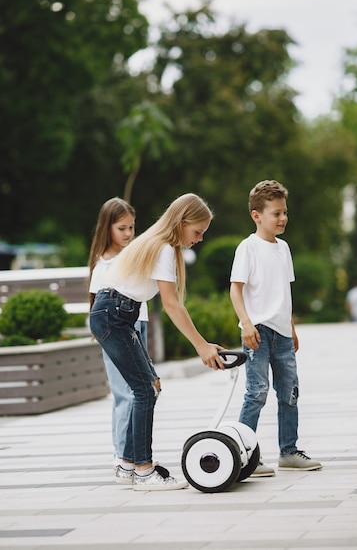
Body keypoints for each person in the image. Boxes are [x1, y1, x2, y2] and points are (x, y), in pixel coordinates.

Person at [89, 193, 225, 491]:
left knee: (149, 386)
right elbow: (173, 305)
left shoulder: (158, 244)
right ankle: (144, 471)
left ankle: (128, 465)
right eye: (197, 231)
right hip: (113, 314)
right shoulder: (162, 248)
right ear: (182, 222)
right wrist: (202, 346)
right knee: (145, 391)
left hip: (115, 314)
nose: (199, 239)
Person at [229, 180, 322, 475]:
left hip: (282, 332)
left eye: (284, 213)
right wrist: (245, 323)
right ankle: (246, 456)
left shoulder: (284, 249)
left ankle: (289, 451)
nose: (282, 218)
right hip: (257, 330)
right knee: (256, 392)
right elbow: (235, 289)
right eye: (276, 213)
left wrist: (291, 327)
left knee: (290, 392)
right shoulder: (248, 248)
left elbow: (284, 292)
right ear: (257, 216)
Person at [88, 197, 149, 485]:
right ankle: (121, 458)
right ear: (107, 228)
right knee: (125, 393)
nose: (128, 234)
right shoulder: (103, 264)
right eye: (122, 228)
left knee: (141, 390)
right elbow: (96, 302)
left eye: (131, 227)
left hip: (140, 323)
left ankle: (137, 455)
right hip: (115, 328)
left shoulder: (133, 255)